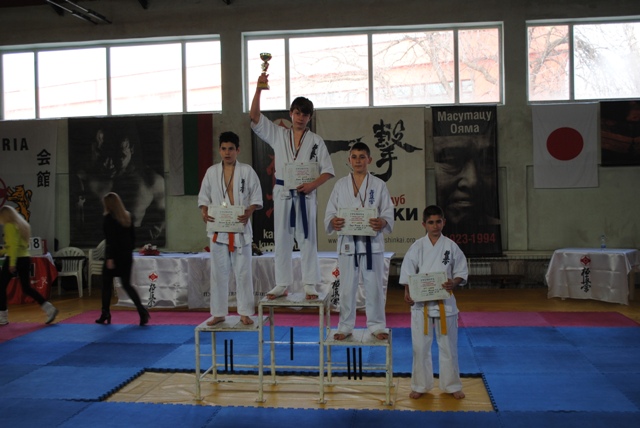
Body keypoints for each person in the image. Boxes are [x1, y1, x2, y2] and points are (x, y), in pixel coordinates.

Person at [250, 73, 335, 300]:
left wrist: (312, 185)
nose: (300, 117)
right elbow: (254, 116)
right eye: (297, 113)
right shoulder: (278, 134)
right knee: (282, 238)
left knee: (307, 238)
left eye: (305, 114)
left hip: (306, 195)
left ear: (309, 117)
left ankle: (310, 284)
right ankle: (282, 283)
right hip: (283, 192)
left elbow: (328, 170)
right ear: (290, 114)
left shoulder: (316, 141)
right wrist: (258, 89)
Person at [324, 142, 394, 340]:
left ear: (369, 160)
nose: (358, 161)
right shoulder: (340, 185)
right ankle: (345, 326)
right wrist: (333, 221)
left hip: (372, 245)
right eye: (354, 157)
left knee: (374, 288)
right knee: (347, 288)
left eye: (362, 157)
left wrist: (383, 221)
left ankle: (377, 325)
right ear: (349, 160)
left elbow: (388, 213)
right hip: (348, 244)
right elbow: (330, 212)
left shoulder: (379, 185)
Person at [399, 205, 467, 400]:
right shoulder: (417, 246)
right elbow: (408, 272)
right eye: (431, 222)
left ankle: (452, 385)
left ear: (444, 222)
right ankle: (420, 385)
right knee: (420, 347)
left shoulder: (451, 246)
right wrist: (407, 292)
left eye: (438, 222)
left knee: (448, 347)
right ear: (424, 224)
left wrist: (454, 282)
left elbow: (461, 271)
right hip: (421, 305)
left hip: (446, 304)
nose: (435, 226)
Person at [198, 131, 263, 326]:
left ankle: (245, 312)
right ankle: (218, 313)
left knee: (243, 273)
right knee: (218, 274)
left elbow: (256, 196)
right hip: (219, 232)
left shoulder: (247, 171)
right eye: (224, 149)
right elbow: (204, 198)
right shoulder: (211, 172)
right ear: (219, 150)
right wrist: (203, 211)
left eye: (231, 149)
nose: (227, 153)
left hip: (240, 231)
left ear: (238, 150)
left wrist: (250, 210)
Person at [74, 121, 166, 246]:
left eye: (118, 155)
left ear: (131, 150)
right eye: (103, 154)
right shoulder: (85, 178)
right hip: (103, 248)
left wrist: (150, 233)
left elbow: (164, 217)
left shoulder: (151, 180)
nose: (109, 163)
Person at [96, 192, 150, 326]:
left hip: (114, 257)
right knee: (127, 284)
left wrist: (110, 258)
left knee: (106, 285)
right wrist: (127, 252)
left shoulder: (109, 219)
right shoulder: (127, 217)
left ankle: (105, 312)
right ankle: (142, 311)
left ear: (108, 205)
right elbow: (132, 239)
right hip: (126, 256)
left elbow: (110, 240)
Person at [0, 205, 58, 325]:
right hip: (25, 258)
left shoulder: (9, 226)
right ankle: (49, 308)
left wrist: (12, 263)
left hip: (14, 258)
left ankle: (3, 316)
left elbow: (13, 246)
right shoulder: (21, 225)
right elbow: (15, 245)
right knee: (26, 288)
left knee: (1, 287)